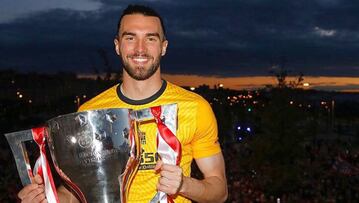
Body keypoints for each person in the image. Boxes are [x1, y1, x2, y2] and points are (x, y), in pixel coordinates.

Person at [18, 4, 228, 203]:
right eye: (130, 38)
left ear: (163, 47)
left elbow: (219, 191)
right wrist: (48, 197)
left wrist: (184, 185)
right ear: (117, 46)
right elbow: (77, 191)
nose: (140, 49)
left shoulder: (195, 108)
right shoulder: (90, 112)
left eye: (151, 39)